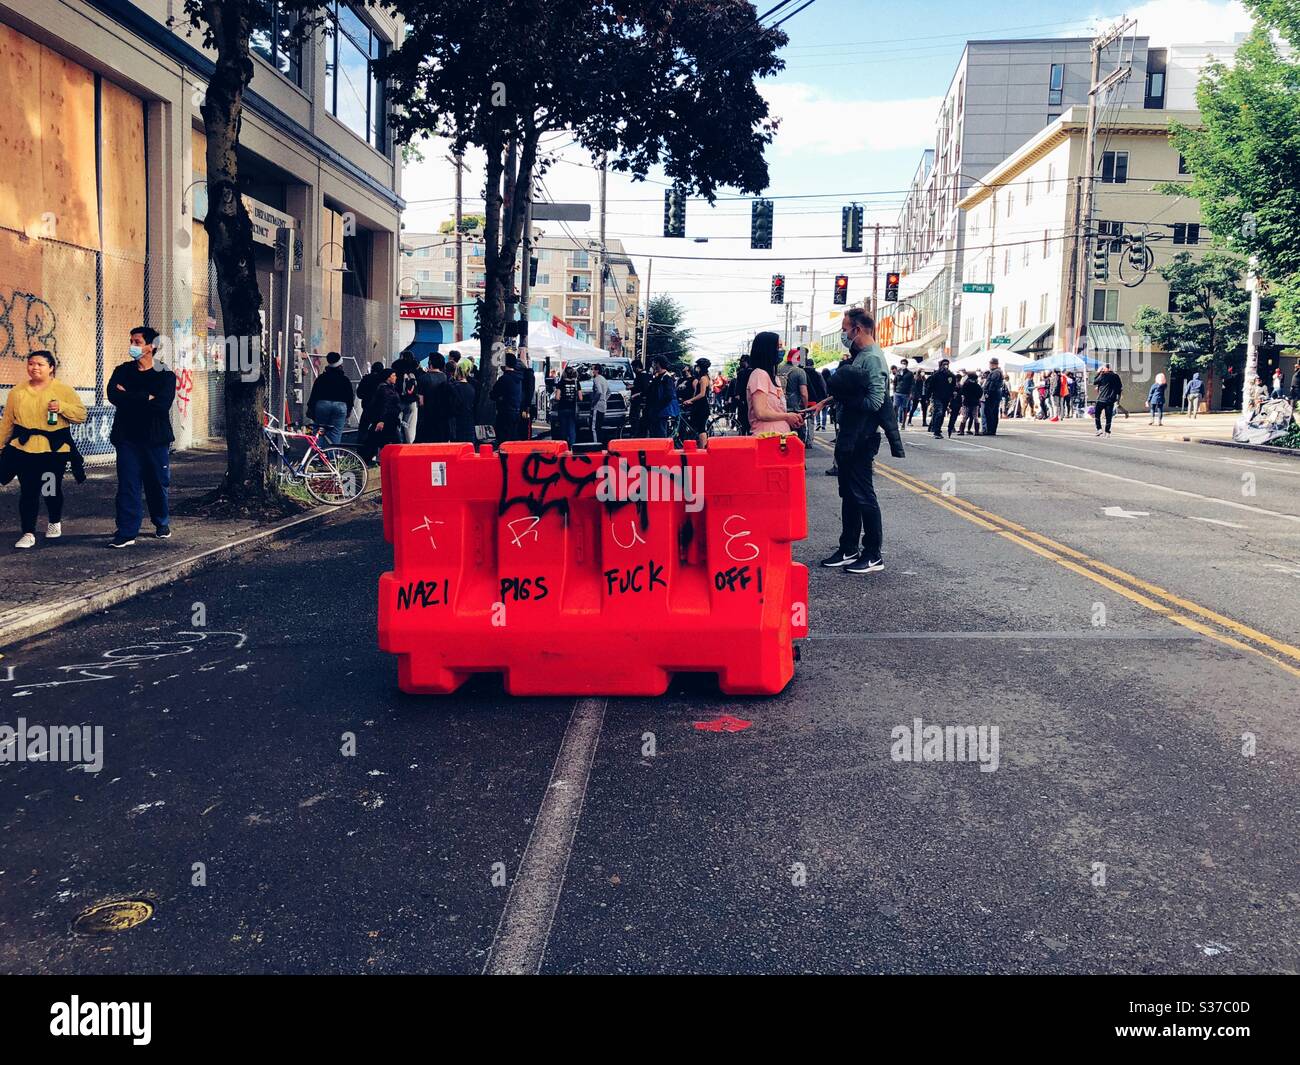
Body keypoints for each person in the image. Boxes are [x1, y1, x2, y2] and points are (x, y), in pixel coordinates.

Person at [811, 308, 901, 575]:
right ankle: (849, 548)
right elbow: (852, 390)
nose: (843, 333)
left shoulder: (872, 359)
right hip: (851, 435)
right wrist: (828, 401)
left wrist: (844, 397)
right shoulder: (861, 356)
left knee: (863, 495)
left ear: (857, 330)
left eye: (845, 328)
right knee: (849, 494)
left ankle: (873, 553)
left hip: (862, 437)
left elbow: (875, 401)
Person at [0, 351, 88, 548]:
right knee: (28, 491)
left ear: (51, 368)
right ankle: (28, 532)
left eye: (40, 364)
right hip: (24, 448)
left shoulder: (63, 390)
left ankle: (54, 521)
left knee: (50, 489)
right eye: (31, 364)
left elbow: (81, 415)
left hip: (53, 450)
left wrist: (62, 407)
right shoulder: (17, 392)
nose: (34, 368)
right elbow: (7, 422)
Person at [107, 326, 177, 548]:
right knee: (128, 485)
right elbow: (112, 395)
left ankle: (161, 521)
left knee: (157, 483)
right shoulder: (122, 371)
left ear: (151, 347)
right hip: (127, 437)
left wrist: (128, 396)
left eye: (137, 342)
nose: (132, 346)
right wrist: (145, 397)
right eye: (131, 341)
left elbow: (161, 405)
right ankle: (127, 532)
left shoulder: (165, 375)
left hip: (155, 439)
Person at [746, 332, 803, 437]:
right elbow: (761, 413)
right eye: (779, 347)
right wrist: (787, 416)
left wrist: (790, 418)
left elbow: (775, 411)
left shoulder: (774, 377)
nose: (782, 351)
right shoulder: (759, 375)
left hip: (779, 438)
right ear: (768, 350)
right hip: (767, 438)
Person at [307, 351, 355, 446]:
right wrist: (348, 410)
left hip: (322, 405)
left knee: (319, 431)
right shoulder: (345, 380)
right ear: (340, 365)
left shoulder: (321, 378)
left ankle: (318, 455)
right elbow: (350, 397)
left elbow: (314, 394)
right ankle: (331, 457)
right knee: (335, 433)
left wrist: (311, 408)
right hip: (340, 406)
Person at [363, 367, 402, 459]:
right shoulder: (385, 390)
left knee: (378, 441)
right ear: (388, 377)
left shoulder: (386, 388)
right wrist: (381, 420)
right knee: (392, 441)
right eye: (393, 375)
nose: (396, 377)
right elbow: (385, 405)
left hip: (389, 420)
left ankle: (371, 459)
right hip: (387, 420)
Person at [490, 353, 525, 444]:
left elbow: (493, 395)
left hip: (504, 413)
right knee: (513, 440)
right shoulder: (519, 378)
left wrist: (500, 398)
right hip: (516, 412)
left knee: (503, 440)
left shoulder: (504, 379)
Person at [416, 351, 451, 442]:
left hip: (427, 415)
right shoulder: (446, 377)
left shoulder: (423, 378)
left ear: (430, 364)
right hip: (442, 415)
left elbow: (421, 400)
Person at [390, 349, 422, 443]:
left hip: (399, 400)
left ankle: (398, 441)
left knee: (397, 422)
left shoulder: (396, 368)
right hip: (412, 400)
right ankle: (409, 444)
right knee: (410, 424)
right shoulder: (416, 370)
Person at [644, 355, 678, 438]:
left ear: (658, 364)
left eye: (654, 363)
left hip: (661, 412)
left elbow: (669, 395)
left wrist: (659, 407)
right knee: (654, 434)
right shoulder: (658, 376)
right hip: (654, 410)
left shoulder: (666, 378)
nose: (653, 365)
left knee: (660, 434)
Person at [924, 358, 957, 439]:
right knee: (939, 412)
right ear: (941, 365)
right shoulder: (936, 375)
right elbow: (930, 387)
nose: (945, 366)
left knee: (941, 415)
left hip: (946, 398)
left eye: (947, 364)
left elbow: (953, 387)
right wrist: (927, 397)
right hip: (937, 397)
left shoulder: (951, 376)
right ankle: (936, 431)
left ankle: (937, 429)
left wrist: (953, 396)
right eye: (944, 364)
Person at [356, 361, 387, 442]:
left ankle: (360, 448)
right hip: (379, 409)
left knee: (363, 428)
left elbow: (359, 393)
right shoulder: (383, 380)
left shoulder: (366, 378)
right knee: (377, 430)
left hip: (367, 407)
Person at [685, 357, 713, 447]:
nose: (696, 368)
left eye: (697, 366)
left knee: (701, 428)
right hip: (698, 405)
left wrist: (690, 400)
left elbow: (702, 394)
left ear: (700, 367)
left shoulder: (704, 378)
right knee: (696, 426)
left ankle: (702, 448)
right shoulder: (702, 378)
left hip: (702, 406)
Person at [551, 365, 580, 448]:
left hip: (562, 408)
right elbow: (581, 397)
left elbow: (557, 397)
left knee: (563, 428)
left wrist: (560, 398)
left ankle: (564, 446)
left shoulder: (561, 383)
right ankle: (572, 447)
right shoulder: (576, 382)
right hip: (572, 408)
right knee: (572, 428)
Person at [448, 364, 477, 443]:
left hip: (456, 422)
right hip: (469, 421)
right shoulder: (472, 387)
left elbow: (451, 406)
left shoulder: (452, 387)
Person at [1093, 362, 1123, 436]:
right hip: (1110, 400)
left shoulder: (1103, 375)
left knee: (1097, 415)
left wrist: (1098, 372)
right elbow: (1120, 388)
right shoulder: (1116, 376)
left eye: (1104, 368)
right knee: (1108, 417)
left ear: (1107, 368)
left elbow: (1094, 381)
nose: (1103, 369)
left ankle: (1099, 429)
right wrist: (1118, 399)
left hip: (1101, 399)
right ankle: (1107, 431)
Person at [982, 357, 1005, 436]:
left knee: (989, 412)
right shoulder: (997, 372)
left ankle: (990, 430)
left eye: (991, 364)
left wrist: (988, 392)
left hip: (993, 394)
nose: (989, 365)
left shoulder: (995, 372)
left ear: (994, 364)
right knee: (993, 412)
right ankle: (991, 430)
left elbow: (992, 383)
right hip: (995, 394)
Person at [588, 361, 609, 442]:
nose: (592, 371)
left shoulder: (596, 379)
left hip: (597, 406)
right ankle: (600, 443)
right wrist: (604, 399)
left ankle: (595, 444)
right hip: (603, 405)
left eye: (593, 369)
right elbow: (609, 392)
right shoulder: (604, 379)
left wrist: (594, 402)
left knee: (594, 427)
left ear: (597, 370)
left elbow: (599, 391)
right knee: (599, 426)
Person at [956, 370, 982, 435]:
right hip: (975, 403)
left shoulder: (965, 385)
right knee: (975, 417)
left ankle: (962, 431)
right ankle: (976, 432)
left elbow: (962, 392)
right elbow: (980, 394)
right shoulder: (977, 386)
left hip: (967, 402)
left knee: (965, 417)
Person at [894, 358, 914, 429]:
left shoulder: (910, 374)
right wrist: (894, 391)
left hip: (906, 393)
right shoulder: (898, 372)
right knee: (895, 407)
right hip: (897, 392)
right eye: (902, 363)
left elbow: (912, 384)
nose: (903, 365)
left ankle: (903, 424)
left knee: (904, 408)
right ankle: (895, 422)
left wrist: (911, 393)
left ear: (907, 365)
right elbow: (895, 382)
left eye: (904, 363)